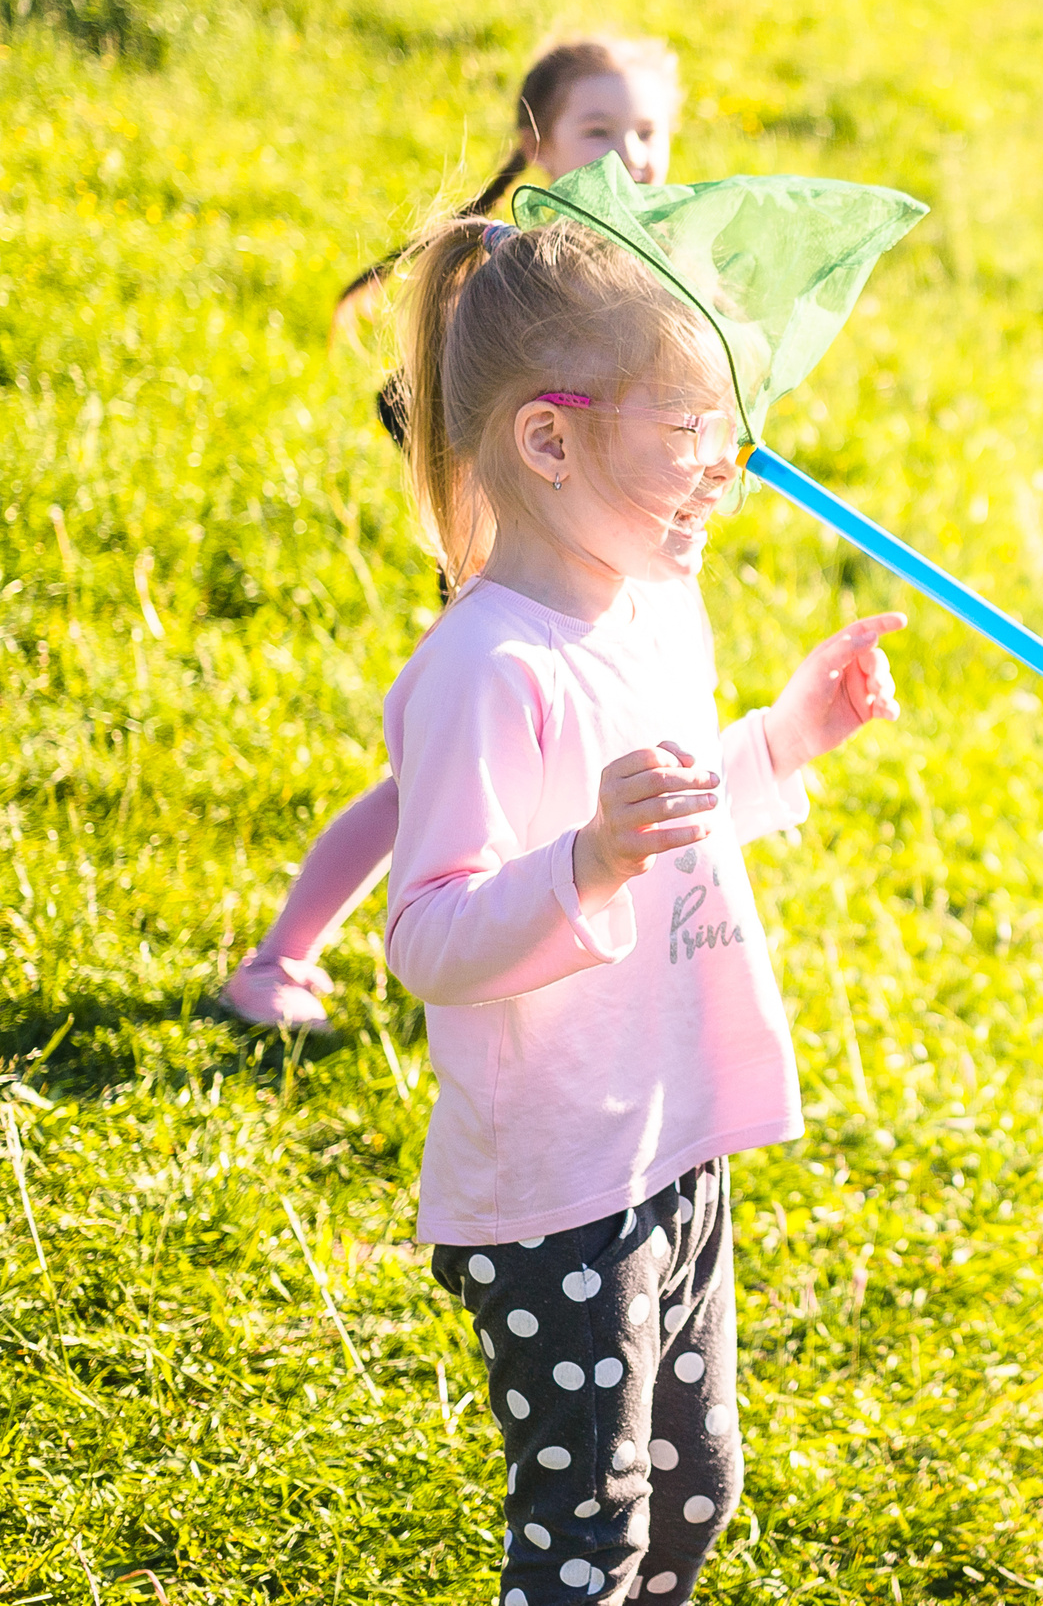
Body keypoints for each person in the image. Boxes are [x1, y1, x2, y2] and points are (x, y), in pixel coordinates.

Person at [383, 208, 904, 1599]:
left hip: (674, 1133)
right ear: (550, 442)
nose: (722, 472)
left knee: (694, 1485)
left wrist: (785, 735)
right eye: (687, 435)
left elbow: (675, 814)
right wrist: (583, 864)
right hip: (557, 1187)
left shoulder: (659, 605)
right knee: (586, 1527)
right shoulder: (487, 667)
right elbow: (427, 935)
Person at [219, 34, 683, 1032]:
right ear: (537, 141)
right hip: (510, 573)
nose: (631, 152)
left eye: (648, 131)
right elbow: (429, 411)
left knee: (546, 778)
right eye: (598, 129)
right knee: (423, 787)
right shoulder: (520, 272)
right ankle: (280, 957)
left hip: (594, 580)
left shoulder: (645, 268)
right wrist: (492, 537)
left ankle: (520, 933)